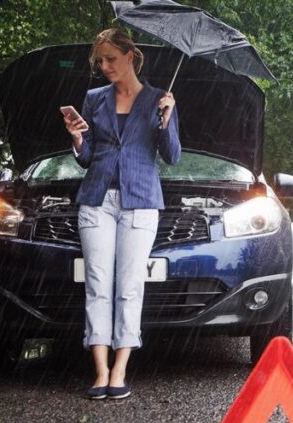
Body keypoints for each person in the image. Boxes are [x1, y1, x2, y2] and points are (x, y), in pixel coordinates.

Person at [63, 28, 181, 400]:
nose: (104, 66)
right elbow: (87, 158)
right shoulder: (94, 98)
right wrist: (78, 138)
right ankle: (99, 371)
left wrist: (166, 118)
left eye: (111, 58)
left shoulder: (160, 99)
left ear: (131, 56)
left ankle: (120, 369)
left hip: (142, 201)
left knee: (129, 287)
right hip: (97, 199)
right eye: (100, 60)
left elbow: (172, 156)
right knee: (98, 284)